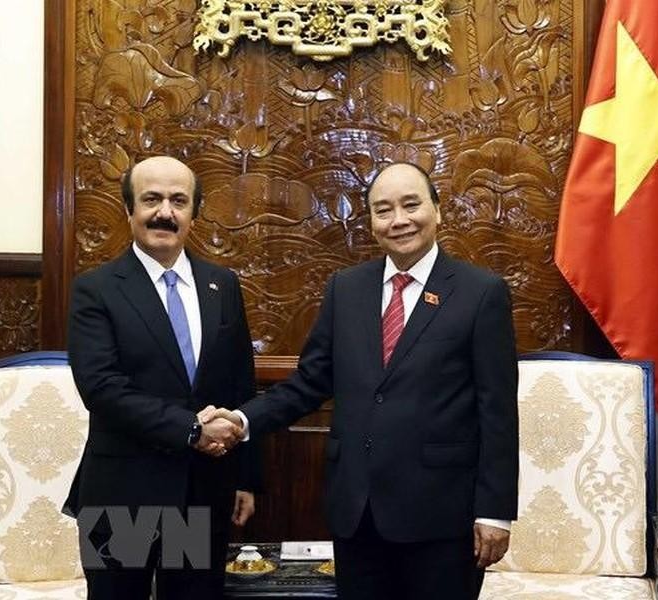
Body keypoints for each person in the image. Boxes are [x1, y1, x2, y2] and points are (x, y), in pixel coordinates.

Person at [208, 162, 519, 600]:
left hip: (442, 515)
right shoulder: (346, 288)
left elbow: (498, 409)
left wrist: (495, 511)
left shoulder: (480, 292)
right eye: (383, 210)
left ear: (437, 209)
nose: (399, 220)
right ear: (371, 222)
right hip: (357, 511)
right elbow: (310, 381)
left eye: (411, 205)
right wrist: (242, 420)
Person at [64, 156, 257, 600]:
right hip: (125, 492)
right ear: (129, 209)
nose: (164, 212)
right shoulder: (98, 289)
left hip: (199, 489)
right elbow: (102, 388)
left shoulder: (221, 285)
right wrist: (191, 429)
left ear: (194, 213)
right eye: (151, 199)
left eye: (178, 200)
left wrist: (247, 475)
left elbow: (239, 383)